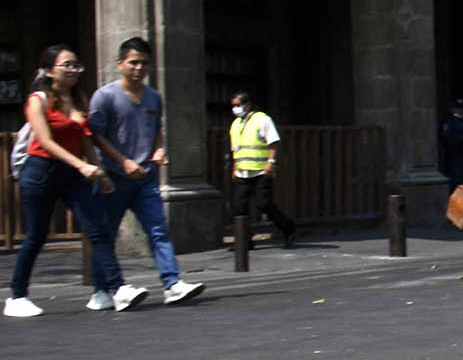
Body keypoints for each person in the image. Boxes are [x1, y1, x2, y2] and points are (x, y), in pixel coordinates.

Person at [8, 46, 138, 318]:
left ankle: (117, 289)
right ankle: (17, 296)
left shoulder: (79, 98)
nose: (73, 70)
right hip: (41, 171)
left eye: (76, 65)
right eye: (66, 65)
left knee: (97, 228)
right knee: (36, 236)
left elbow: (85, 137)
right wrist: (81, 165)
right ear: (48, 70)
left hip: (73, 174)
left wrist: (99, 170)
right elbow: (44, 141)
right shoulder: (38, 99)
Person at [90, 38, 204, 307]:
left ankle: (172, 283)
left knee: (159, 230)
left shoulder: (154, 97)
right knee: (105, 234)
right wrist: (122, 160)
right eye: (133, 62)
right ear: (120, 64)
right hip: (113, 177)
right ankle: (100, 291)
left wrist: (160, 149)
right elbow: (95, 136)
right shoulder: (104, 96)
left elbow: (156, 130)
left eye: (144, 63)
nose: (139, 68)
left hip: (145, 177)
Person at [228, 91, 297, 248]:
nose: (235, 109)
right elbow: (236, 149)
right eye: (233, 106)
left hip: (260, 171)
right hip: (242, 171)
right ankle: (244, 241)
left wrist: (270, 162)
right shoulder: (235, 124)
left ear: (248, 104)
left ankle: (288, 228)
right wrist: (235, 166)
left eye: (238, 105)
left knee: (264, 205)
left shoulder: (262, 120)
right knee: (239, 207)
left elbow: (273, 141)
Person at [439, 98, 463, 180]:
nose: (459, 110)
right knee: (455, 179)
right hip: (455, 156)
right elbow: (447, 139)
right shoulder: (449, 121)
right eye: (457, 108)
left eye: (461, 108)